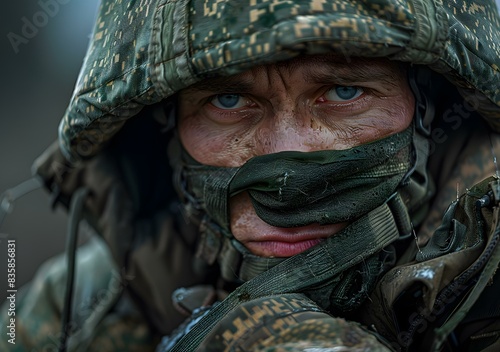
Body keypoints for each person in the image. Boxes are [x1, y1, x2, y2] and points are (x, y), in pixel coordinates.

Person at [1, 0, 499, 351]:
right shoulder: (90, 302)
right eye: (230, 101)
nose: (284, 171)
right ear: (168, 136)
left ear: (436, 111)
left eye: (345, 92)